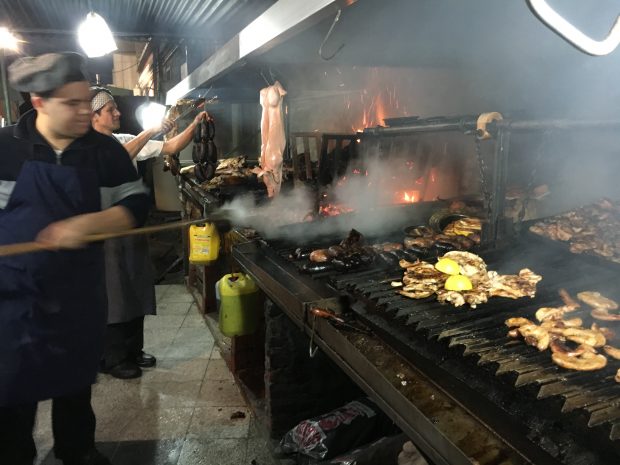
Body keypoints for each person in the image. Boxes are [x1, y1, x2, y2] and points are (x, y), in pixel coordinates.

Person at [0, 53, 150, 465]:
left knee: (75, 387)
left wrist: (89, 224)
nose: (86, 111)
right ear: (39, 102)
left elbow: (137, 204)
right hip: (14, 300)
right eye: (73, 104)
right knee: (11, 395)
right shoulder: (4, 149)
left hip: (76, 295)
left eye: (87, 101)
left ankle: (77, 450)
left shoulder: (105, 153)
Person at [90, 86, 208, 379]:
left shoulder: (124, 139)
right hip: (103, 232)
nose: (117, 113)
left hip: (131, 227)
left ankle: (133, 350)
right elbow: (116, 160)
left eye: (116, 108)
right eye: (111, 110)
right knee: (113, 293)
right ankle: (112, 358)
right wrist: (151, 130)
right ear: (93, 116)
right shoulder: (86, 147)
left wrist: (194, 125)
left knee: (136, 286)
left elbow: (170, 148)